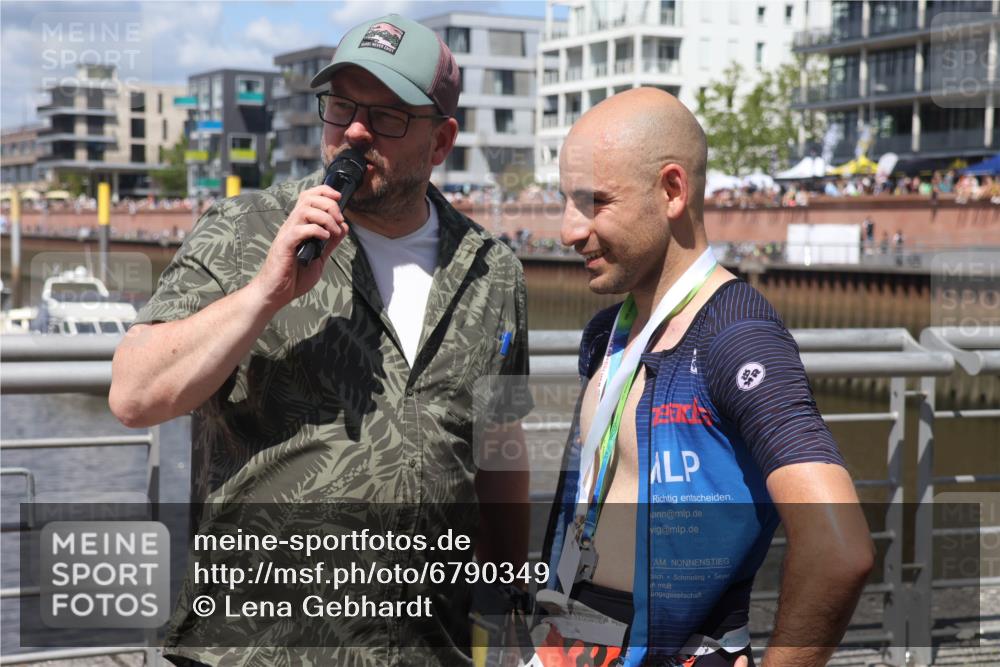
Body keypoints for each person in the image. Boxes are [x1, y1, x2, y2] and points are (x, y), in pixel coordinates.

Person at [110, 14, 531, 666]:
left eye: (388, 115)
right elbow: (135, 393)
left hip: (425, 644)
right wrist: (264, 295)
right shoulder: (246, 228)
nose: (355, 132)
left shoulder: (493, 270)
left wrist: (509, 605)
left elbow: (500, 452)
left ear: (442, 140)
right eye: (342, 107)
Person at [536, 88, 873, 667]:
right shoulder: (606, 332)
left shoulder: (737, 336)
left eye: (595, 202)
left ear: (672, 190)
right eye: (566, 201)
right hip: (569, 639)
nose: (568, 230)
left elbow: (838, 549)